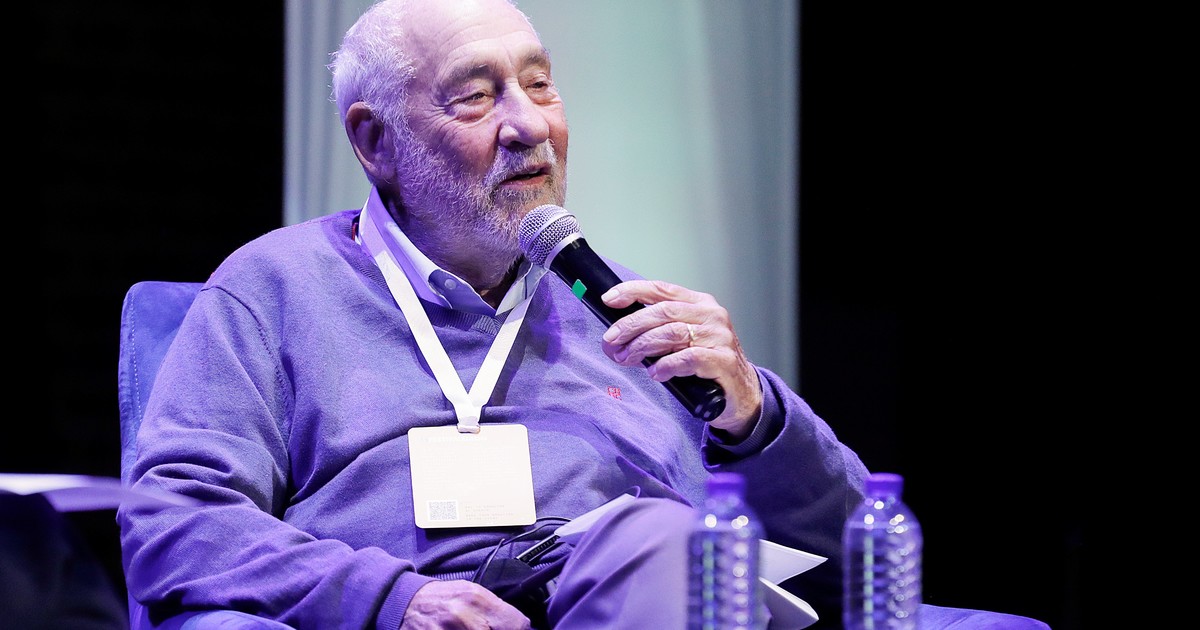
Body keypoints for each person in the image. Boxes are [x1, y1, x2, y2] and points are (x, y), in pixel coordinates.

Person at [118, 1, 1049, 628]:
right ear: (375, 140)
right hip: (413, 613)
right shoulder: (277, 287)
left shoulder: (633, 316)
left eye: (541, 85)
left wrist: (752, 415)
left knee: (665, 546)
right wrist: (388, 599)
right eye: (476, 96)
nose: (528, 125)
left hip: (628, 595)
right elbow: (173, 520)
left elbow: (860, 558)